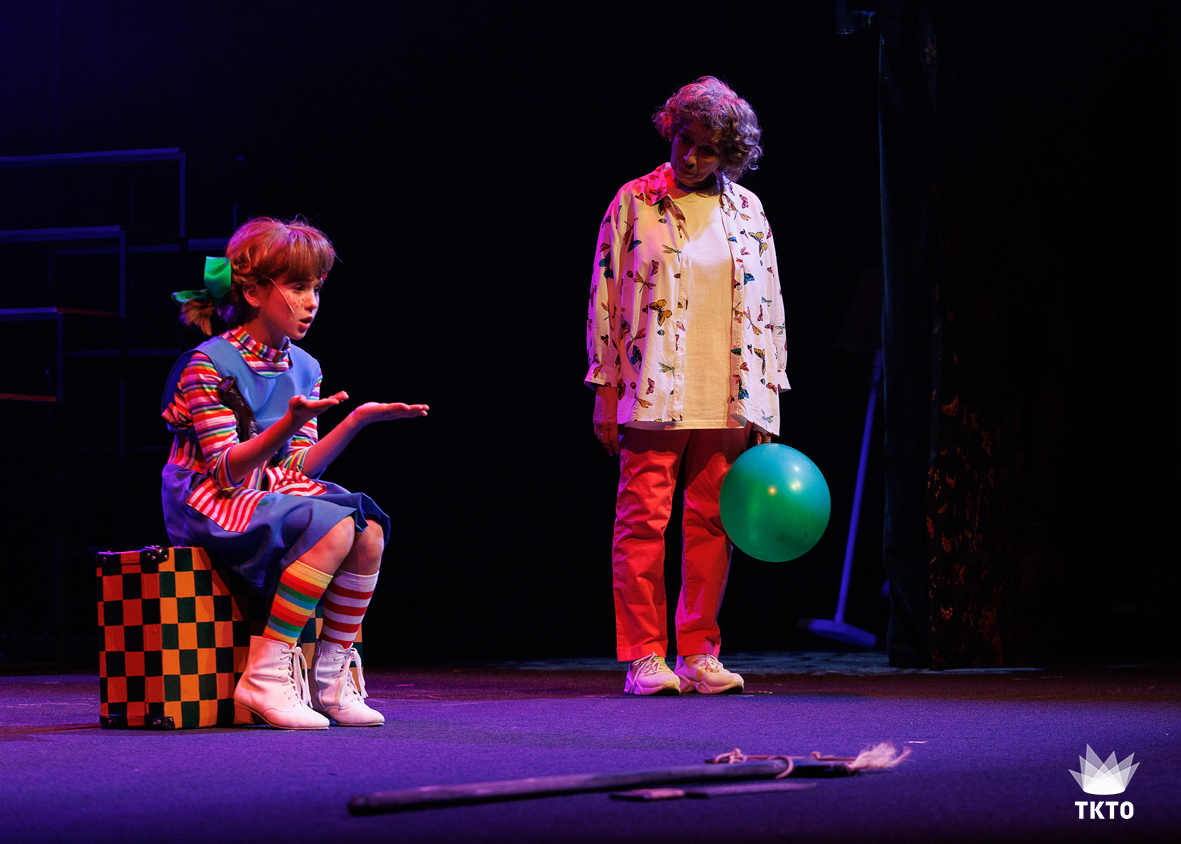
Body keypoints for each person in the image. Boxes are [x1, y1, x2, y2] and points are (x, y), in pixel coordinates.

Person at [162, 217, 428, 729]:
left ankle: (330, 677)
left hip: (269, 490)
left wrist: (355, 421)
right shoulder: (207, 363)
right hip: (208, 497)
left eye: (316, 289)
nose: (312, 302)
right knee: (333, 526)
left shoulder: (304, 366)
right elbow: (225, 469)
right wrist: (287, 422)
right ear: (255, 292)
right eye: (299, 287)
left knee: (370, 528)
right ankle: (265, 673)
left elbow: (295, 468)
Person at [585, 77, 788, 696]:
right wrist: (604, 385)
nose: (690, 156)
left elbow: (770, 303)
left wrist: (766, 396)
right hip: (651, 388)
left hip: (727, 391)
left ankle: (699, 651)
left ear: (730, 154)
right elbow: (604, 295)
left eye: (706, 148)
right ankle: (645, 656)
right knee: (642, 522)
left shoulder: (748, 211)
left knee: (712, 525)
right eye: (683, 140)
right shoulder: (636, 201)